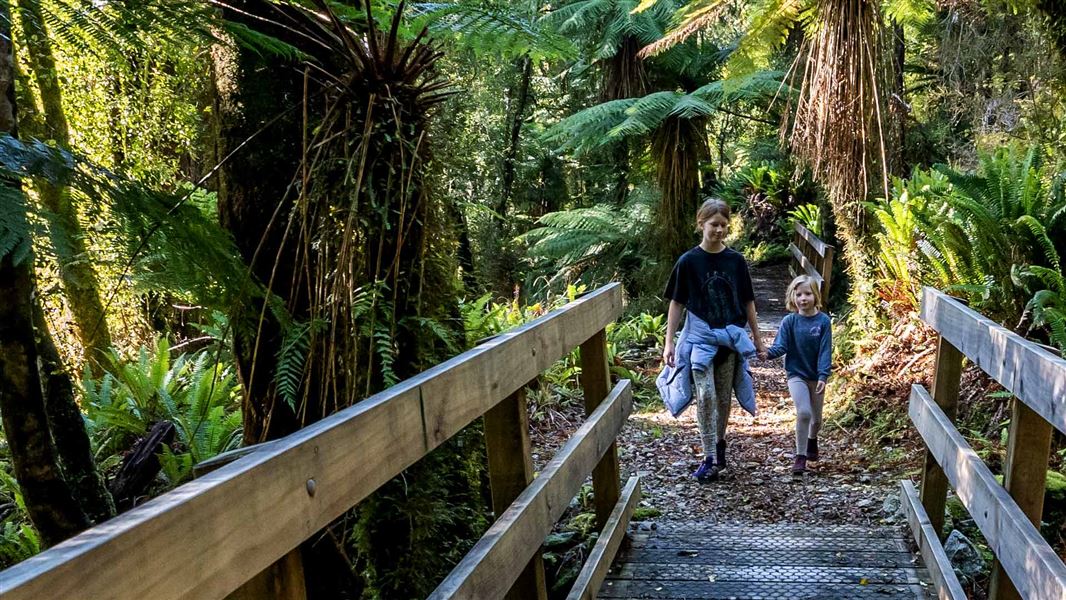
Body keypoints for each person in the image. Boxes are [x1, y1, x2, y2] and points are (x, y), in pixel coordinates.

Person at [659, 198, 766, 483]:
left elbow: (747, 301)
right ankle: (707, 456)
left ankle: (719, 445)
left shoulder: (736, 261)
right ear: (701, 224)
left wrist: (756, 337)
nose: (718, 230)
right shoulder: (688, 261)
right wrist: (669, 342)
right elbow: (677, 304)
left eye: (723, 225)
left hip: (729, 341)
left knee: (722, 399)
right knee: (705, 396)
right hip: (699, 342)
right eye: (713, 224)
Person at [763, 274, 833, 475]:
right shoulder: (789, 321)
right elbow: (781, 346)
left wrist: (823, 375)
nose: (803, 298)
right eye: (799, 294)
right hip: (796, 374)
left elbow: (825, 351)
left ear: (815, 296)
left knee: (817, 420)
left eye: (808, 294)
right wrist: (766, 354)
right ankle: (800, 456)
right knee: (804, 412)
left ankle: (812, 439)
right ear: (793, 297)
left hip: (816, 375)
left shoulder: (823, 322)